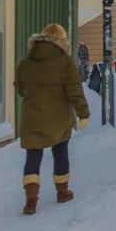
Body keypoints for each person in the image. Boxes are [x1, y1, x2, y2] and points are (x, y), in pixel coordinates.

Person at [15, 24, 89, 214]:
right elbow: (75, 91)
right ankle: (62, 192)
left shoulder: (25, 63)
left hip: (32, 117)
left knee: (33, 156)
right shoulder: (65, 62)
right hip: (58, 117)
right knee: (60, 151)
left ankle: (31, 199)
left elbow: (21, 89)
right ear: (62, 42)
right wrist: (83, 113)